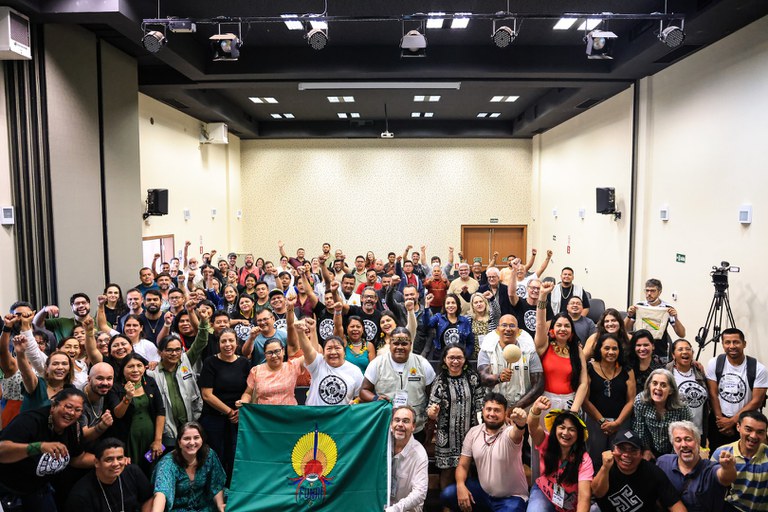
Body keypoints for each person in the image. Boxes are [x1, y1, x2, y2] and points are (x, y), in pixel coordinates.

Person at [0, 388, 96, 510]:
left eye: (78, 410)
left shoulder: (73, 428)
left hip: (39, 490)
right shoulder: (31, 421)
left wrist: (105, 461)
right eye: (68, 407)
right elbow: (2, 451)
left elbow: (76, 458)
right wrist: (39, 447)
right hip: (9, 490)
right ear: (53, 406)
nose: (72, 413)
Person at [441, 393, 529, 512]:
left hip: (511, 498)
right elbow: (462, 465)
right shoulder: (473, 432)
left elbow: (517, 433)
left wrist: (520, 424)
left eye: (497, 410)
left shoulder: (509, 433)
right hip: (484, 493)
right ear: (483, 411)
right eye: (489, 409)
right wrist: (460, 485)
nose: (492, 414)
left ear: (505, 414)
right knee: (448, 494)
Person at [426, 344, 485, 491]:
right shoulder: (440, 380)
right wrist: (433, 411)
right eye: (451, 358)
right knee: (447, 471)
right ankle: (447, 502)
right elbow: (431, 409)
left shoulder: (472, 378)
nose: (455, 361)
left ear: (465, 360)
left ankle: (468, 500)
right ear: (445, 360)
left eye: (459, 358)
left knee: (468, 468)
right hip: (446, 436)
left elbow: (481, 402)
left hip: (469, 433)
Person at [360, 328, 435, 437]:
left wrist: (431, 422)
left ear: (410, 344)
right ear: (389, 344)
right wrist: (376, 398)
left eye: (404, 344)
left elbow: (432, 395)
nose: (400, 347)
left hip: (416, 427)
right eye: (396, 343)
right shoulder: (377, 363)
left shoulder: (422, 363)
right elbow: (363, 391)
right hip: (386, 426)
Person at [198, 328, 250, 481]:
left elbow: (250, 390)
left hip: (239, 418)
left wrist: (240, 411)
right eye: (223, 341)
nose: (228, 344)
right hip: (215, 418)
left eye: (231, 340)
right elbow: (207, 395)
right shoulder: (210, 362)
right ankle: (215, 490)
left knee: (236, 457)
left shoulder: (244, 363)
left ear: (237, 343)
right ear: (218, 344)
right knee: (216, 457)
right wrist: (230, 412)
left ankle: (233, 489)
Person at [591, 428, 686, 512]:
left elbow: (674, 503)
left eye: (633, 450)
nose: (626, 454)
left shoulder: (653, 472)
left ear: (641, 454)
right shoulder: (605, 464)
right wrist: (605, 468)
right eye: (621, 449)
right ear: (613, 450)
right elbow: (597, 493)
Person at [527, 396, 593, 512]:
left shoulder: (584, 460)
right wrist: (535, 409)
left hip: (569, 505)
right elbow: (533, 428)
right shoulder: (546, 441)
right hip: (543, 493)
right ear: (555, 429)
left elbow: (584, 497)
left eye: (572, 429)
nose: (566, 433)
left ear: (578, 435)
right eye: (562, 427)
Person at [705, 327, 768, 450]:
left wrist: (733, 421)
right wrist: (721, 422)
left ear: (744, 344)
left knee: (747, 454)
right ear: (723, 344)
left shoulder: (758, 369)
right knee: (716, 454)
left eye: (736, 342)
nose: (732, 346)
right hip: (719, 419)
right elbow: (713, 394)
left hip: (746, 421)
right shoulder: (714, 363)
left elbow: (757, 401)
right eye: (727, 342)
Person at [583, 334, 636, 472]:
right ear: (599, 349)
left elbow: (631, 400)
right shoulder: (589, 368)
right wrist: (602, 421)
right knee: (594, 459)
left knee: (619, 459)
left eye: (614, 348)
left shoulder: (627, 369)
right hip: (595, 423)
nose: (611, 352)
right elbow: (585, 400)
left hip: (621, 422)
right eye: (606, 348)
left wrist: (617, 423)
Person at [656, 421, 736, 512]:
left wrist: (728, 468)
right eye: (678, 440)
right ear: (673, 444)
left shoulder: (710, 470)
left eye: (688, 439)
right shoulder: (663, 462)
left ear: (698, 442)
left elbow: (726, 478)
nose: (684, 445)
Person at [148, 329, 208, 449]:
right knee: (169, 454)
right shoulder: (152, 373)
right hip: (167, 427)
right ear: (160, 352)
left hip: (191, 420)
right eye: (169, 350)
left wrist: (203, 322)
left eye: (177, 350)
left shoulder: (186, 361)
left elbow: (201, 341)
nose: (174, 353)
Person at [109, 353, 166, 478]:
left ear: (144, 367)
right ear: (123, 369)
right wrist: (128, 397)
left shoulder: (150, 382)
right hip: (128, 438)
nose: (135, 370)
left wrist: (158, 440)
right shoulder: (116, 387)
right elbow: (118, 414)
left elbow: (160, 411)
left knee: (150, 471)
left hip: (150, 436)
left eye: (139, 366)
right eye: (130, 366)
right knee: (131, 472)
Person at [151, 422, 226, 512]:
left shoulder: (209, 455)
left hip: (206, 507)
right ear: (179, 443)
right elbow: (162, 493)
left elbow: (217, 485)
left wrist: (220, 505)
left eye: (196, 438)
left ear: (202, 440)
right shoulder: (167, 463)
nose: (192, 442)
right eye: (186, 438)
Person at [65, 437, 154, 512]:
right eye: (109, 459)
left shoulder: (133, 472)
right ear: (96, 462)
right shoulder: (81, 495)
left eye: (119, 458)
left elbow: (148, 499)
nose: (116, 464)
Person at [477, 314, 543, 413]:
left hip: (522, 410)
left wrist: (513, 409)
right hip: (494, 409)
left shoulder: (529, 352)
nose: (508, 329)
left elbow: (538, 386)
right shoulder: (487, 350)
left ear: (518, 331)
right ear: (497, 329)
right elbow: (482, 379)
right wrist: (498, 378)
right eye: (504, 325)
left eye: (512, 326)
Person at [710, 410, 768, 512]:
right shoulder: (721, 453)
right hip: (732, 507)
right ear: (738, 427)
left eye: (760, 432)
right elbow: (710, 487)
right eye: (748, 429)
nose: (753, 436)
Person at [295, 319, 363, 406]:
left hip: (341, 414)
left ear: (344, 352)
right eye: (329, 348)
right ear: (323, 353)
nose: (333, 352)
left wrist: (355, 402)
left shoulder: (355, 371)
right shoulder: (318, 364)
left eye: (337, 348)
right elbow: (308, 350)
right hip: (315, 413)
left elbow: (361, 396)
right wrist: (300, 332)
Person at [633, 369, 692, 460]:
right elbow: (640, 428)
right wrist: (646, 449)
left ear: (671, 390)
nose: (658, 388)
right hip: (650, 448)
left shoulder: (681, 406)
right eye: (654, 383)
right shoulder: (640, 401)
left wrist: (672, 458)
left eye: (663, 385)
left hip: (675, 450)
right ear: (649, 386)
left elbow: (684, 434)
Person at [625, 278, 685, 359]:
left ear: (659, 292)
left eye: (652, 291)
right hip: (640, 350)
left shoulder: (667, 308)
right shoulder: (639, 306)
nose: (649, 293)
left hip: (660, 352)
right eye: (647, 290)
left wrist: (676, 318)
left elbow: (681, 334)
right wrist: (629, 315)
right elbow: (626, 329)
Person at [666, 339, 709, 445]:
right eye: (680, 349)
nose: (685, 352)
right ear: (673, 355)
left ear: (692, 353)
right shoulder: (667, 373)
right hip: (676, 432)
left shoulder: (699, 372)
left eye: (688, 349)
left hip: (697, 430)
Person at [386, 406, 429, 512]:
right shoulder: (383, 444)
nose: (400, 424)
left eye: (405, 421)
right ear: (391, 424)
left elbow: (420, 493)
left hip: (407, 509)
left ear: (413, 426)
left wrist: (393, 510)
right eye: (397, 420)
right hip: (382, 505)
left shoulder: (420, 454)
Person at [239, 337, 303, 405]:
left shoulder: (292, 366)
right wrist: (243, 401)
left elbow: (310, 355)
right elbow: (248, 393)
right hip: (264, 411)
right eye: (269, 353)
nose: (274, 356)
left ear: (283, 351)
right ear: (265, 354)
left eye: (277, 351)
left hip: (288, 410)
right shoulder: (256, 370)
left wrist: (305, 334)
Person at [423, 293, 473, 359]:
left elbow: (470, 342)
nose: (450, 305)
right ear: (444, 305)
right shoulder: (438, 317)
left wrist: (465, 356)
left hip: (458, 358)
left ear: (457, 305)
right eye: (448, 303)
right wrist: (427, 305)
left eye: (453, 303)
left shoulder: (464, 321)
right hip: (440, 357)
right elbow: (427, 324)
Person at [465, 292, 498, 359]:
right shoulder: (468, 319)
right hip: (474, 356)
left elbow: (497, 310)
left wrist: (492, 299)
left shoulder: (492, 317)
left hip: (491, 355)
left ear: (485, 303)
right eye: (476, 302)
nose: (479, 304)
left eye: (481, 301)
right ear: (472, 306)